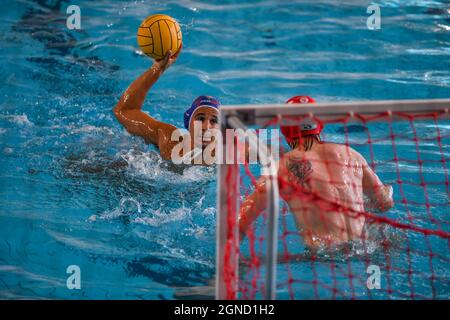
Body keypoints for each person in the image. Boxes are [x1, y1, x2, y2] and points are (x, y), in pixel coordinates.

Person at [238, 96, 394, 249]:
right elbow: (385, 203)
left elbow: (242, 220)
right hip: (365, 248)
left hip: (322, 256)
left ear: (285, 130)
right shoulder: (352, 155)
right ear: (319, 124)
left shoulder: (281, 167)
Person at [113, 45, 220, 164]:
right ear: (188, 123)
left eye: (214, 121)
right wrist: (157, 69)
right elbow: (124, 110)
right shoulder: (169, 139)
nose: (206, 127)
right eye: (200, 118)